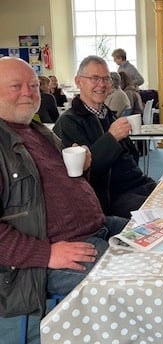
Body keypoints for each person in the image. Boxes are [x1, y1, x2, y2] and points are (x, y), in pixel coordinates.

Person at [0, 57, 129, 337]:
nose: (28, 92)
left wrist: (79, 167)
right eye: (16, 86)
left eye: (33, 85)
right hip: (41, 260)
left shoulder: (35, 131)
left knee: (155, 236)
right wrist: (46, 254)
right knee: (131, 282)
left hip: (96, 226)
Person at [53, 55, 157, 218]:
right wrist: (112, 137)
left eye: (105, 79)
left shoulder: (108, 114)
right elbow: (81, 176)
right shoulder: (68, 123)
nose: (101, 84)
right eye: (94, 78)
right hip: (111, 197)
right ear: (78, 81)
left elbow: (131, 158)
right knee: (161, 214)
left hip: (138, 184)